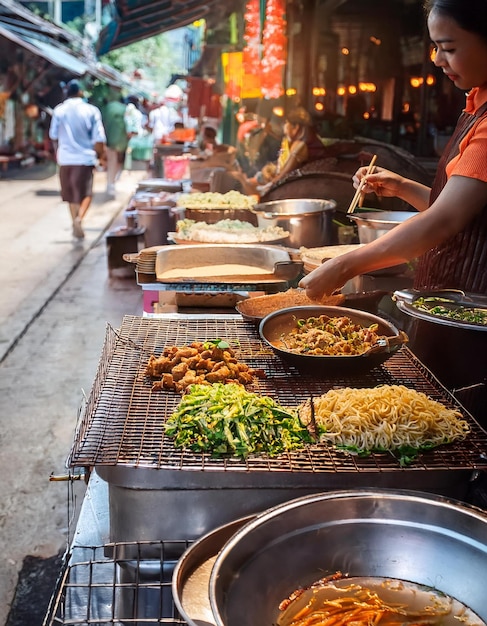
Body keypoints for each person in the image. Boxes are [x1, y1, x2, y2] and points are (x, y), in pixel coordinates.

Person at [300, 0, 487, 301]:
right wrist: (401, 186)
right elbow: (462, 212)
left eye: (449, 48)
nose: (438, 60)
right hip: (450, 294)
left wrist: (344, 266)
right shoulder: (476, 104)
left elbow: (444, 221)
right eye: (435, 48)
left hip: (473, 309)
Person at [49, 80, 106, 239]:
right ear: (80, 92)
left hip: (65, 158)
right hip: (85, 158)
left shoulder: (59, 110)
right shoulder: (91, 110)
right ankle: (79, 219)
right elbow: (99, 138)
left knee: (70, 195)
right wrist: (101, 157)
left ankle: (74, 220)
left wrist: (57, 153)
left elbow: (53, 135)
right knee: (86, 193)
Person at [234, 106, 327, 195]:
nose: (284, 127)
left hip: (293, 187)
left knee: (246, 185)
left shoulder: (301, 145)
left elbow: (284, 174)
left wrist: (268, 186)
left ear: (296, 127)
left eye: (286, 123)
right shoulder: (295, 142)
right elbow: (282, 164)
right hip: (286, 182)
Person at [101, 88, 129, 198]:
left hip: (108, 140)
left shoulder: (105, 109)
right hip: (121, 140)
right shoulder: (124, 109)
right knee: (117, 161)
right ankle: (112, 183)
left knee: (111, 161)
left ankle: (110, 183)